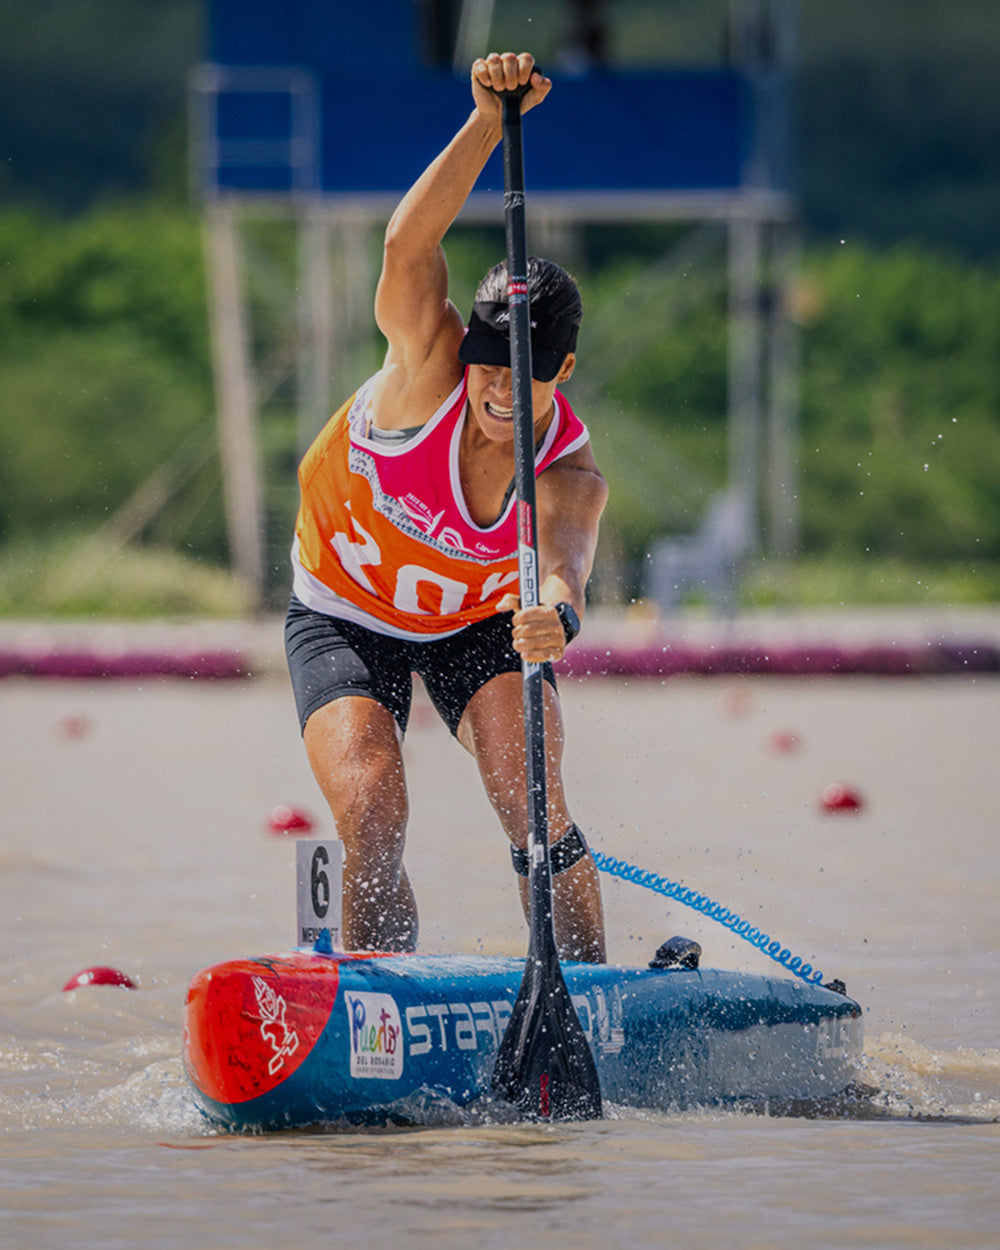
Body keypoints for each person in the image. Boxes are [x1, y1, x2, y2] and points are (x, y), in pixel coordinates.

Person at [285, 52, 607, 962]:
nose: (503, 395)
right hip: (344, 614)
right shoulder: (429, 360)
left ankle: (584, 997)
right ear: (466, 347)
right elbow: (405, 247)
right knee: (373, 813)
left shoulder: (567, 470)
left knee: (536, 812)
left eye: (529, 381)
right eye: (490, 371)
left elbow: (566, 561)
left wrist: (558, 615)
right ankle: (378, 995)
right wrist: (483, 121)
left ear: (564, 373)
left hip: (478, 623)